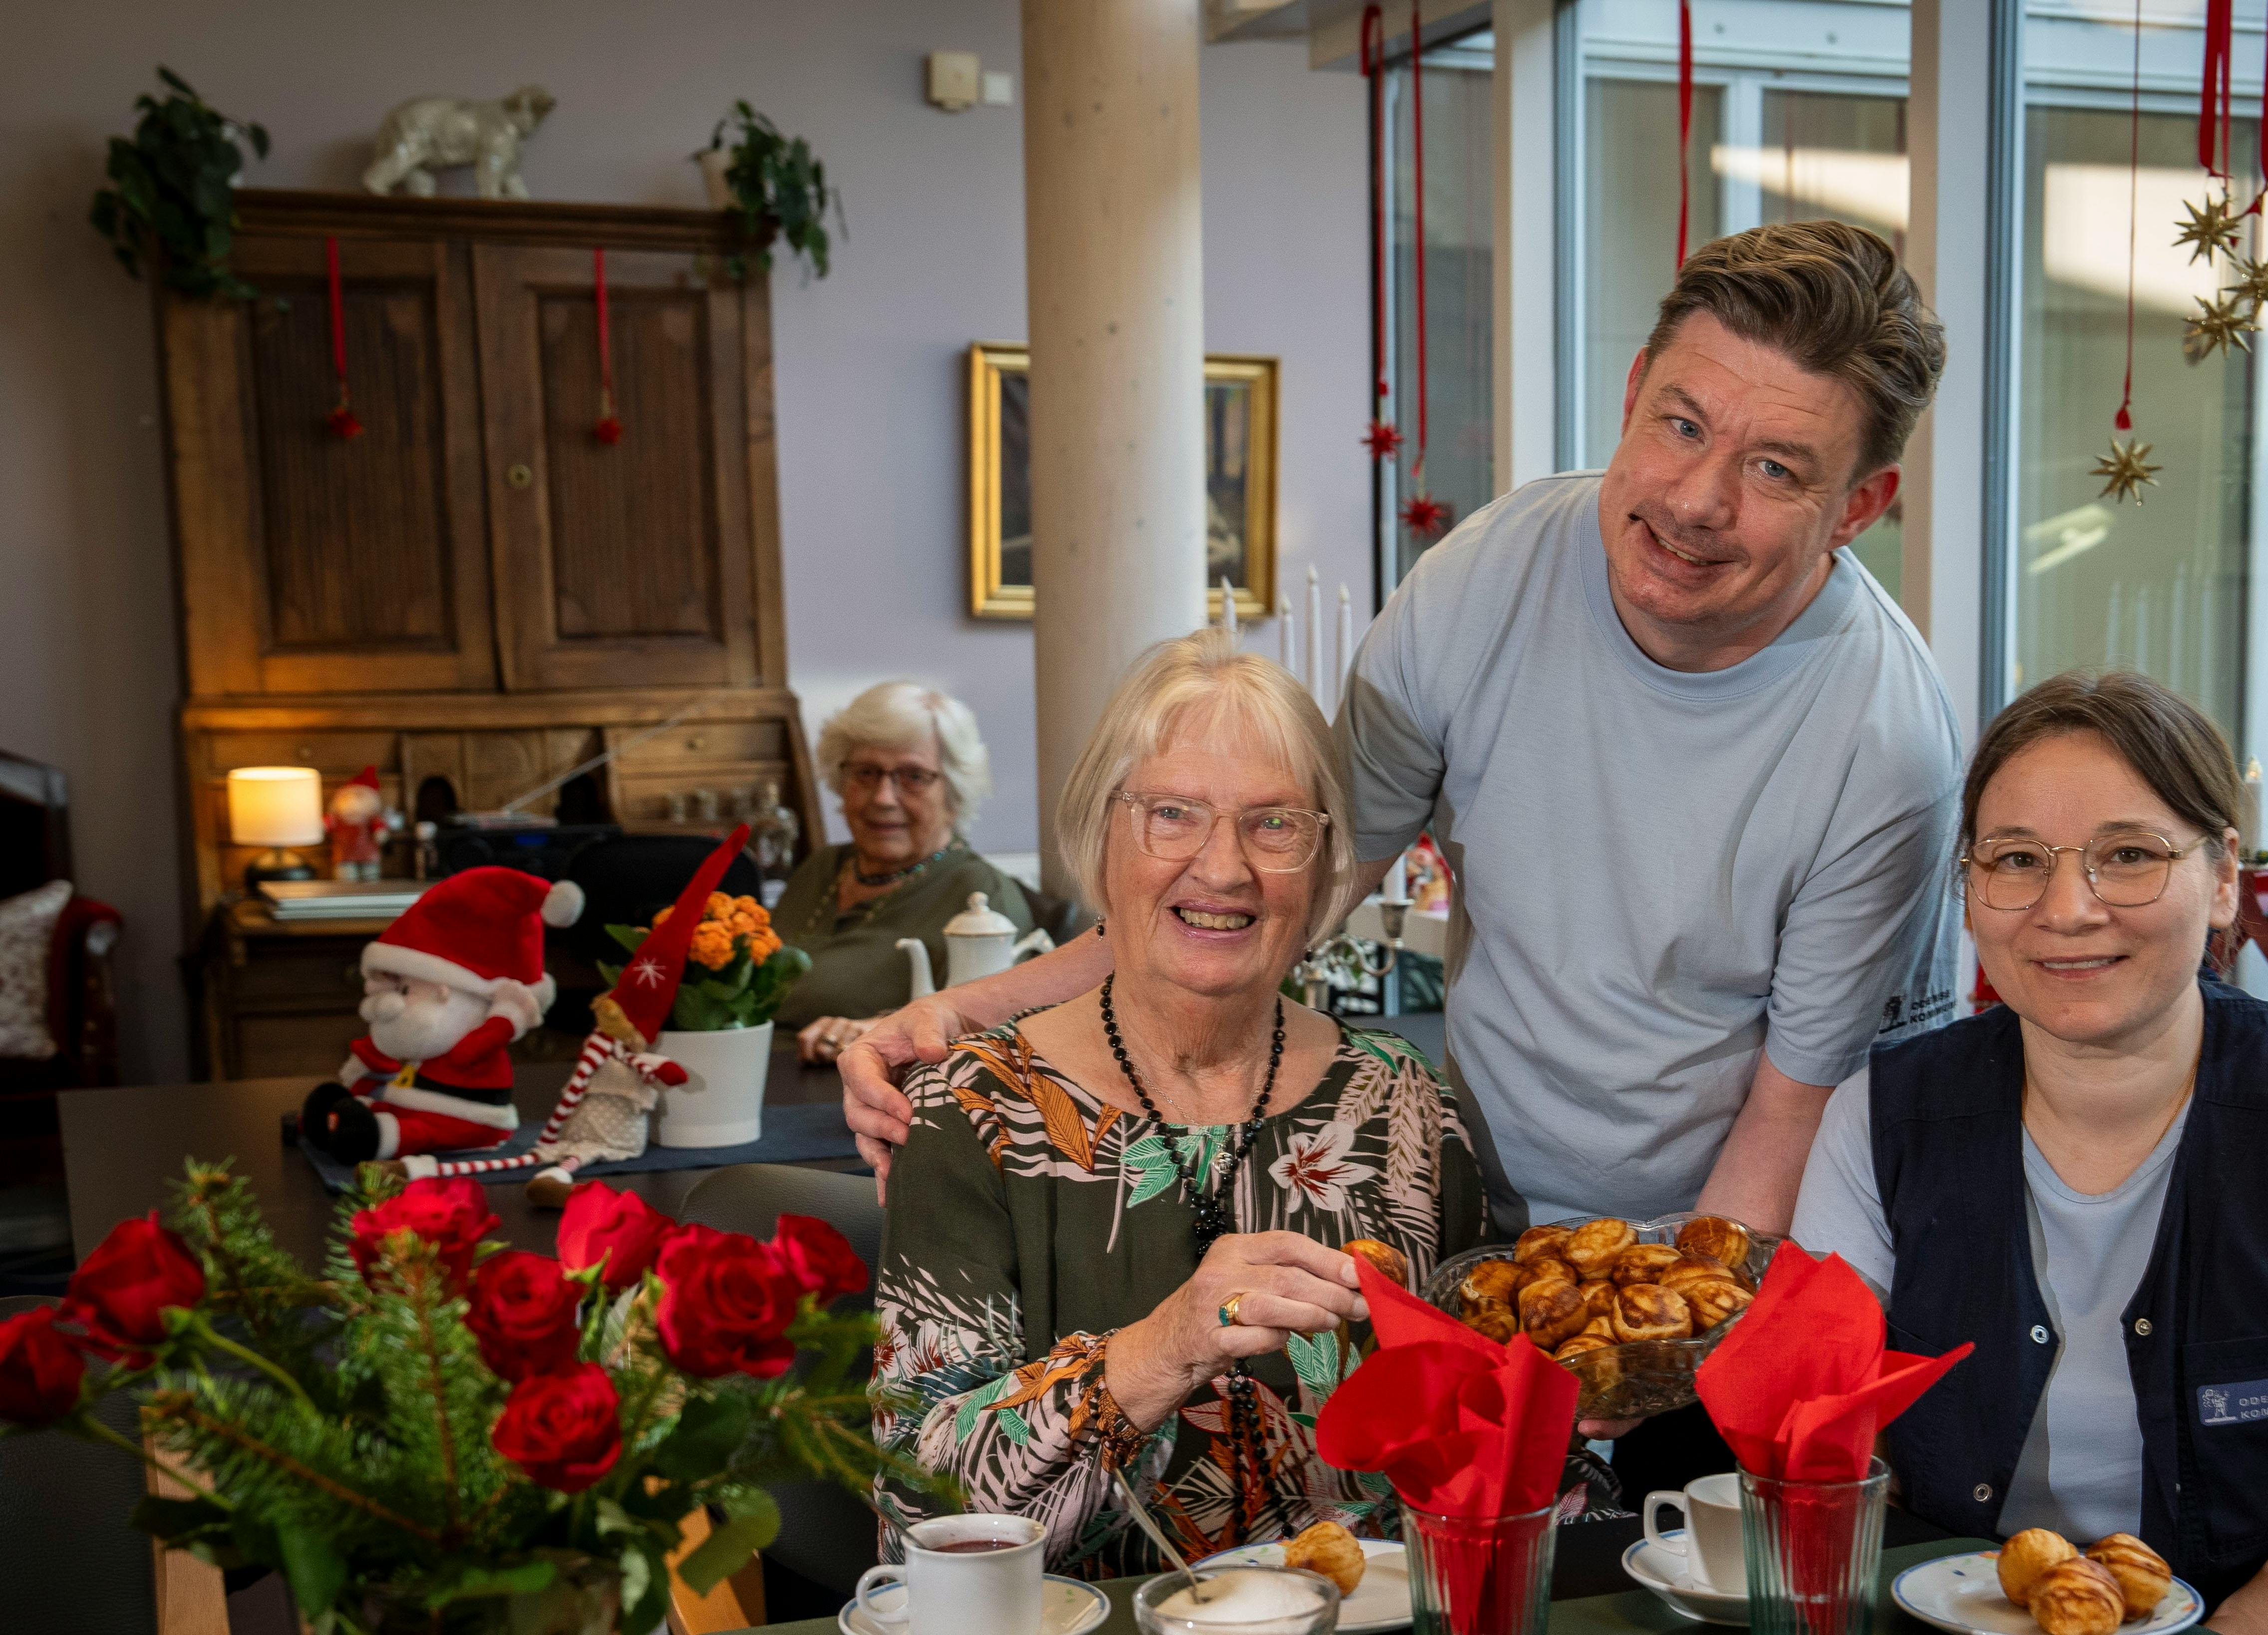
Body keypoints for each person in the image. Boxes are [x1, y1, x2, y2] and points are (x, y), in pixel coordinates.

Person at [845, 220, 1961, 1492]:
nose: (1698, 500)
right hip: (1468, 1213)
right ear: (1633, 392)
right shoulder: (1487, 577)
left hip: (1719, 1274)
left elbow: (1789, 1110)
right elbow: (1276, 886)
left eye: (1775, 467)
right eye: (1683, 423)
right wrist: (959, 1014)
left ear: (1859, 506)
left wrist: (1636, 1354)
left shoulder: (1884, 749)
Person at [1792, 671, 2268, 1635]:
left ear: (2220, 879)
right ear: (1967, 893)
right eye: (2014, 859)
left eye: (2127, 855)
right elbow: (1822, 1457)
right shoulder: (1876, 1114)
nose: (2066, 907)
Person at [872, 631, 1489, 1573]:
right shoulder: (972, 1109)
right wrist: (1160, 1350)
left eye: (1274, 823)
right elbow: (922, 1512)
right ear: (1098, 836)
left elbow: (1479, 1450)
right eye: (1172, 814)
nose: (1224, 868)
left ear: (1324, 861)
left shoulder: (1400, 1101)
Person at [773, 681, 1086, 1063]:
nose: (883, 798)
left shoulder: (980, 893)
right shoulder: (821, 868)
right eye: (866, 772)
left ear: (954, 791)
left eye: (914, 777)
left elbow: (1000, 1032)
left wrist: (880, 1027)